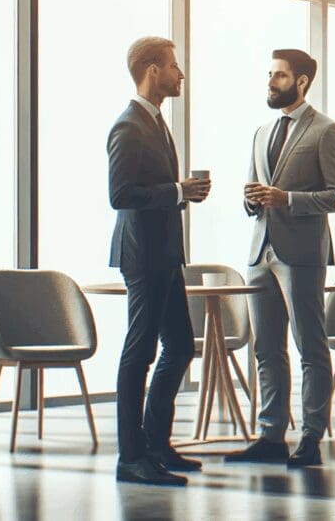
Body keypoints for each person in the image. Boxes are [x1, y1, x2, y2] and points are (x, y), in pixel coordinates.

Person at [226, 49, 335, 468]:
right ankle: (271, 434)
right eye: (269, 74)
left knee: (310, 346)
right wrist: (251, 200)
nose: (271, 82)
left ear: (302, 81)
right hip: (260, 250)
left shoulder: (327, 131)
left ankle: (311, 436)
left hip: (301, 254)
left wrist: (288, 198)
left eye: (279, 76)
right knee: (266, 349)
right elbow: (253, 187)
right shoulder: (261, 132)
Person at [107, 36, 211, 485]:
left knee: (182, 346)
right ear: (152, 70)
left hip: (166, 255)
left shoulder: (156, 123)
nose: (180, 74)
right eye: (173, 66)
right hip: (144, 256)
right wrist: (176, 191)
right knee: (139, 352)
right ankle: (131, 458)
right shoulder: (129, 126)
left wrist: (182, 194)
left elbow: (154, 191)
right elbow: (120, 195)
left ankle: (156, 445)